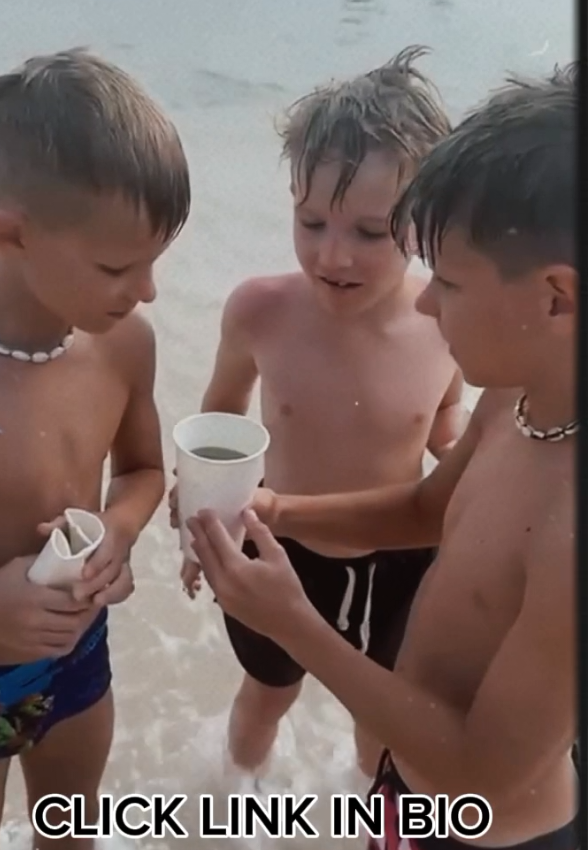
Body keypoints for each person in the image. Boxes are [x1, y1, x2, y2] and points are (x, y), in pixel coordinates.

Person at [188, 62, 578, 849]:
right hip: (413, 794)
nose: (429, 301)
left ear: (555, 297)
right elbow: (431, 509)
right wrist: (271, 508)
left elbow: (486, 775)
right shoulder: (519, 398)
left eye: (452, 282)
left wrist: (295, 623)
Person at [170, 46, 465, 780]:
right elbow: (219, 426)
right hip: (274, 548)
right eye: (310, 223)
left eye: (368, 233)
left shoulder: (447, 323)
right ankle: (232, 808)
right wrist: (199, 519)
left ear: (424, 220)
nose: (332, 256)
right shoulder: (260, 311)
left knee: (381, 715)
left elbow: (448, 431)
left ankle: (371, 814)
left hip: (396, 557)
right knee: (266, 694)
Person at [0, 48, 190, 850]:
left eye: (156, 261)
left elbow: (140, 469)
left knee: (73, 828)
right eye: (119, 266)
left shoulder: (123, 344)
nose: (148, 289)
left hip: (76, 657)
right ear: (11, 234)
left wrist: (117, 535)